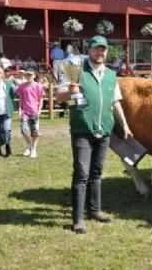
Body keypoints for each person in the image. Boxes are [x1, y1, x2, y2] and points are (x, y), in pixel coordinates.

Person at [56, 35, 132, 234]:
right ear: (89, 50)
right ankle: (78, 219)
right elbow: (59, 97)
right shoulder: (77, 71)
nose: (100, 53)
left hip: (104, 130)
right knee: (81, 174)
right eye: (96, 49)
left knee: (96, 174)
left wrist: (124, 125)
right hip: (82, 130)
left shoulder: (111, 75)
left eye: (103, 49)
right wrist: (70, 92)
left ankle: (95, 210)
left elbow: (116, 102)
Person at [16, 70, 44, 159]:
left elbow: (41, 99)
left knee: (34, 131)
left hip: (34, 111)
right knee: (24, 130)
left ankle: (34, 150)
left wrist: (39, 110)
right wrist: (20, 110)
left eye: (30, 75)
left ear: (34, 75)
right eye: (27, 75)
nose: (29, 76)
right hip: (24, 111)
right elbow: (20, 99)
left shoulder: (38, 86)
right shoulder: (22, 86)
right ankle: (30, 145)